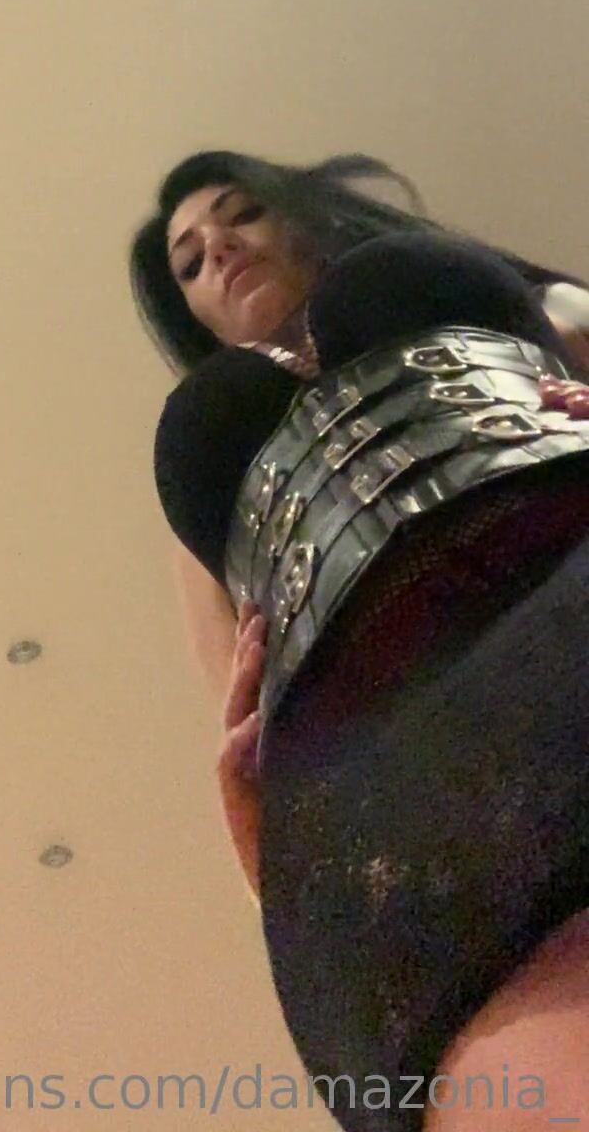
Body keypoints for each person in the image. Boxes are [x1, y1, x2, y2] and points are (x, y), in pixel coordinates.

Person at [130, 150, 589, 1132]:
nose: (219, 249)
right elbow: (241, 699)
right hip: (390, 760)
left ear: (299, 216)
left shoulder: (522, 303)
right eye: (189, 260)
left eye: (239, 214)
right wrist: (289, 855)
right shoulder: (207, 514)